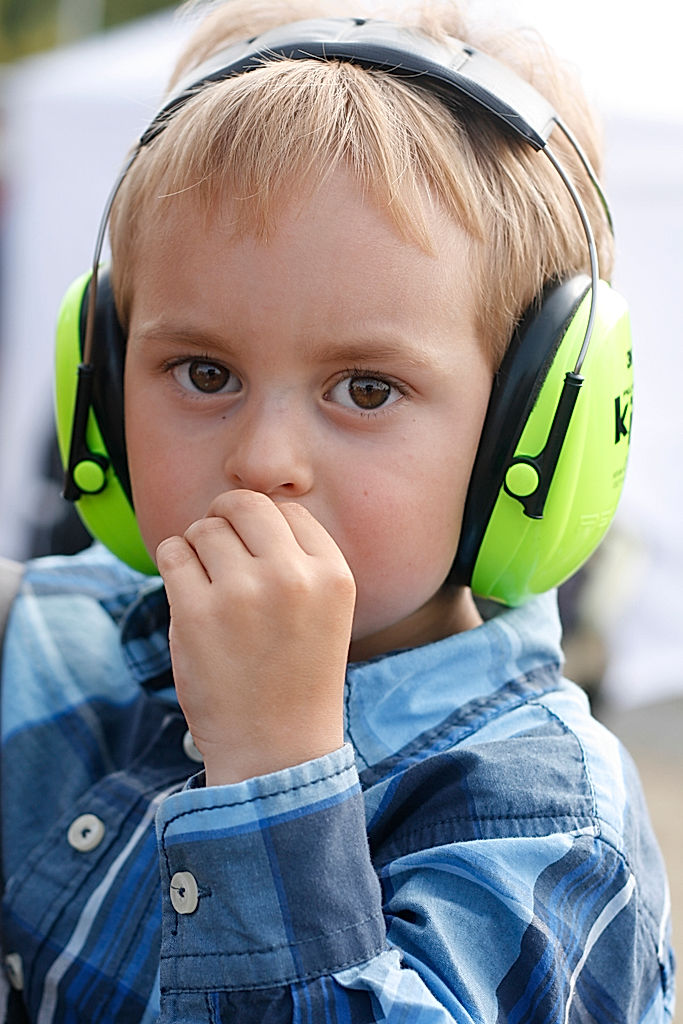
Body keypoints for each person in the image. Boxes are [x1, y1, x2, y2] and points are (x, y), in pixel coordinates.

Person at [0, 0, 674, 1020]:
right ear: (99, 380)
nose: (262, 460)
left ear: (528, 437)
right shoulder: (43, 640)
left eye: (364, 388)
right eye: (201, 369)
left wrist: (274, 773)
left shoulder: (550, 824)